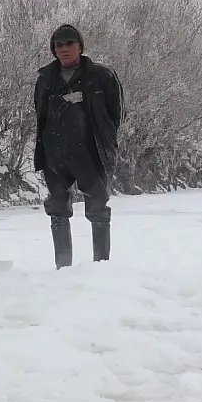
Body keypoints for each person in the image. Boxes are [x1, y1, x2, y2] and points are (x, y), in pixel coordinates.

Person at [33, 24, 124, 269]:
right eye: (59, 45)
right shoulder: (44, 79)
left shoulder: (101, 75)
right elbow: (39, 116)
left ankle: (101, 267)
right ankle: (63, 268)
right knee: (57, 209)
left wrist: (104, 140)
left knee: (98, 207)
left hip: (91, 153)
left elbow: (116, 115)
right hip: (55, 155)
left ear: (80, 46)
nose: (64, 49)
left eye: (69, 44)